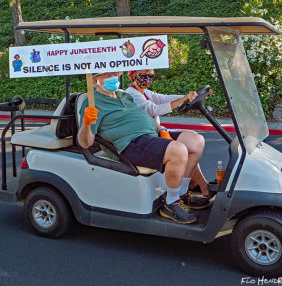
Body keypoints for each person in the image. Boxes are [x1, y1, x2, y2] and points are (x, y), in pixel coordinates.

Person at [78, 72, 209, 224]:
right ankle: (171, 203)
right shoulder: (91, 103)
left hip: (150, 135)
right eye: (109, 75)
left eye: (115, 74)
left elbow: (141, 115)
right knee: (178, 150)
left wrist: (160, 129)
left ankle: (181, 193)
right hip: (129, 143)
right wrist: (87, 124)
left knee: (196, 141)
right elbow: (85, 143)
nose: (114, 77)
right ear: (96, 80)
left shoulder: (123, 95)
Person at [125, 69, 213, 199]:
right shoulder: (131, 94)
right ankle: (181, 193)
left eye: (150, 76)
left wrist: (189, 97)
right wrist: (183, 99)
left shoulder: (145, 92)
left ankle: (185, 189)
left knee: (195, 140)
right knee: (187, 146)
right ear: (132, 75)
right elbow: (154, 109)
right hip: (148, 136)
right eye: (143, 75)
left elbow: (163, 98)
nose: (147, 79)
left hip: (157, 131)